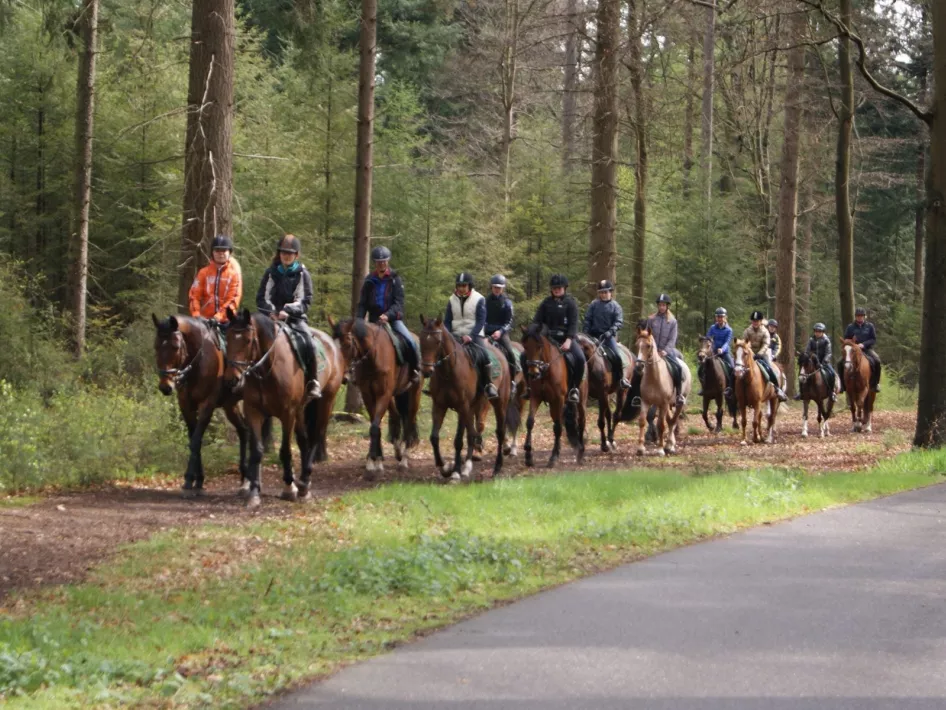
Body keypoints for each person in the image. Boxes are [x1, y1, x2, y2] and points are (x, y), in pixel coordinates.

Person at [256, 234, 321, 400]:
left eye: (289, 253)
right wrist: (271, 311)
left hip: (295, 319)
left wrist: (288, 311)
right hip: (271, 317)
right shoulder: (271, 272)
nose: (286, 256)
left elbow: (305, 300)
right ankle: (249, 379)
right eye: (283, 252)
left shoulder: (302, 274)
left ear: (296, 255)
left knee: (309, 343)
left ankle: (313, 381)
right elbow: (262, 297)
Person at [356, 245, 421, 385]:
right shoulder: (369, 280)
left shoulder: (395, 279)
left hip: (392, 320)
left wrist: (388, 315)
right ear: (375, 263)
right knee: (357, 342)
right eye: (379, 262)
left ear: (388, 261)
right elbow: (362, 303)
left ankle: (415, 370)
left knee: (410, 341)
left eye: (384, 261)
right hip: (373, 321)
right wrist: (359, 321)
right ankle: (355, 373)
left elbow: (399, 303)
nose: (382, 264)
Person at [444, 273, 499, 400]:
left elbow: (481, 321)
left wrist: (471, 336)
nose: (461, 288)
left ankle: (488, 384)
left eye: (464, 285)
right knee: (440, 353)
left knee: (484, 355)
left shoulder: (479, 299)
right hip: (455, 334)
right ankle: (436, 385)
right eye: (459, 285)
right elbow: (447, 320)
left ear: (469, 286)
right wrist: (447, 334)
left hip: (474, 335)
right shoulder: (452, 299)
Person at [532, 274, 585, 404]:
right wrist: (532, 330)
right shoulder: (546, 303)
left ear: (564, 288)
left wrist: (569, 339)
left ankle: (574, 389)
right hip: (548, 339)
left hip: (565, 339)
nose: (556, 290)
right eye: (554, 288)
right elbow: (537, 320)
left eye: (559, 287)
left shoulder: (571, 303)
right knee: (525, 357)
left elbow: (573, 323)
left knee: (580, 358)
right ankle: (530, 387)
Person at [582, 279, 630, 389]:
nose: (603, 294)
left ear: (610, 292)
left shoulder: (615, 306)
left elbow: (618, 322)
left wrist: (610, 332)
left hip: (608, 337)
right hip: (592, 336)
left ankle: (621, 379)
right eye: (601, 292)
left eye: (605, 292)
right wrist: (586, 332)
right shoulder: (593, 305)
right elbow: (588, 319)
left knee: (617, 356)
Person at [188, 234, 242, 325]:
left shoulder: (234, 275)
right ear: (212, 253)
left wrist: (218, 317)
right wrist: (196, 314)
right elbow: (194, 295)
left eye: (224, 250)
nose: (220, 253)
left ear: (229, 252)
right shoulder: (203, 273)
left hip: (226, 321)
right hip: (203, 320)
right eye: (217, 250)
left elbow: (233, 300)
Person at [645, 294, 686, 406]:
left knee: (677, 368)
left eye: (663, 305)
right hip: (652, 352)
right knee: (638, 368)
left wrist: (665, 351)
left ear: (667, 306)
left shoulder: (672, 321)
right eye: (660, 305)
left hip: (667, 351)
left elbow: (673, 339)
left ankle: (678, 395)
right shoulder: (651, 319)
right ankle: (637, 396)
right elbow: (646, 336)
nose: (661, 307)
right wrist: (653, 350)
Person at [484, 274, 521, 390]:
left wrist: (500, 332)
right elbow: (482, 318)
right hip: (486, 332)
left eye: (499, 288)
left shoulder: (507, 303)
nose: (497, 290)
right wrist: (485, 328)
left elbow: (509, 321)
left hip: (501, 333)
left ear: (503, 288)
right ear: (492, 287)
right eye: (495, 287)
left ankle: (513, 380)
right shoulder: (485, 301)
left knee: (510, 352)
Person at [741, 311, 788, 402]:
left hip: (762, 354)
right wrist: (750, 352)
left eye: (757, 321)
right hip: (750, 353)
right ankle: (731, 389)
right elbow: (745, 343)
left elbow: (766, 344)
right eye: (753, 321)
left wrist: (760, 353)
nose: (755, 322)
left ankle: (777, 389)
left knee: (769, 368)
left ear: (760, 321)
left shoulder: (765, 331)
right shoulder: (747, 331)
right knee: (738, 367)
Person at [838, 306, 881, 393]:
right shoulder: (850, 327)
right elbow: (846, 338)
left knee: (877, 361)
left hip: (867, 349)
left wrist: (863, 344)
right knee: (839, 363)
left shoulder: (870, 326)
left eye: (861, 316)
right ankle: (842, 385)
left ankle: (876, 383)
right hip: (853, 350)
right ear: (855, 316)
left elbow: (873, 339)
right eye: (858, 316)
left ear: (864, 316)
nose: (859, 317)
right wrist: (853, 344)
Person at [794, 322, 837, 402]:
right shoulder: (811, 340)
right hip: (813, 362)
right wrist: (806, 358)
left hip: (824, 362)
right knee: (802, 374)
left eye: (819, 331)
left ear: (823, 332)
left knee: (832, 373)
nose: (817, 333)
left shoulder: (826, 341)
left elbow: (828, 353)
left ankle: (832, 392)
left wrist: (824, 361)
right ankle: (801, 393)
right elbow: (807, 351)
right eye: (816, 331)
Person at [700, 307, 734, 398]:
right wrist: (708, 348)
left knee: (732, 368)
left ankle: (730, 388)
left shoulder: (729, 330)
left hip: (724, 353)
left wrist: (722, 349)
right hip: (713, 352)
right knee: (701, 368)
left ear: (725, 317)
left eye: (721, 317)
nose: (720, 319)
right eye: (718, 317)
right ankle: (703, 387)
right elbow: (708, 339)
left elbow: (727, 342)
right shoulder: (712, 328)